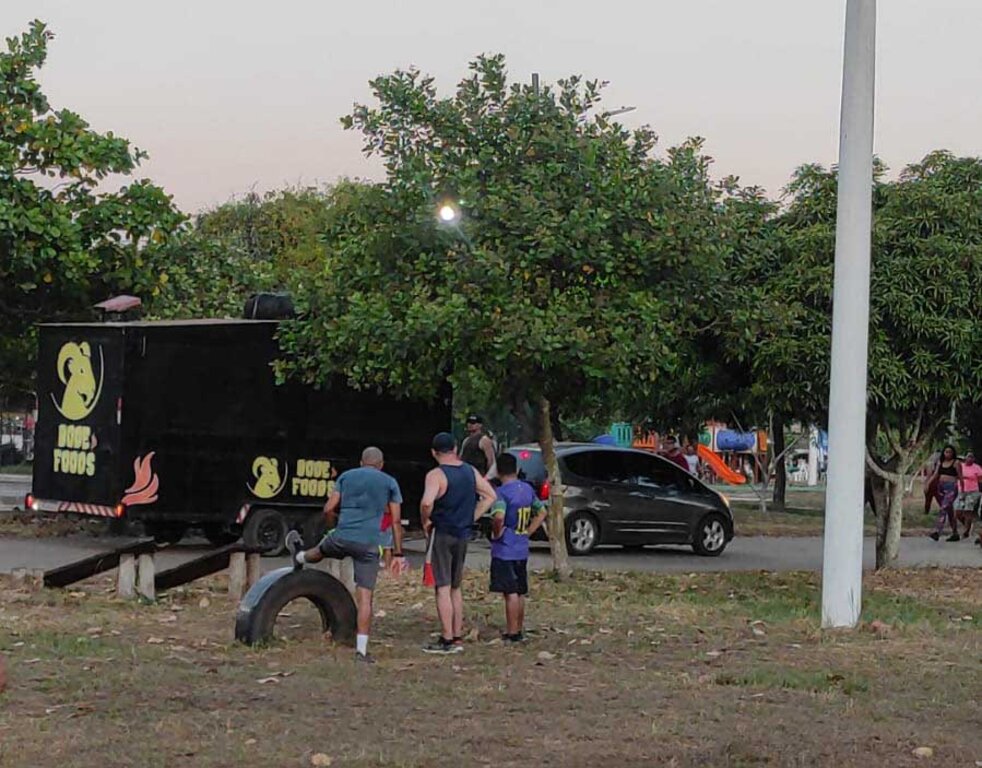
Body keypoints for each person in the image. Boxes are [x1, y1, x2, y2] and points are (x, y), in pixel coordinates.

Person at [286, 446, 404, 664]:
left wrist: (333, 528)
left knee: (320, 552)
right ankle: (361, 651)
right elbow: (395, 522)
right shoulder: (389, 482)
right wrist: (397, 552)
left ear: (361, 462)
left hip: (342, 536)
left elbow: (328, 509)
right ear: (381, 465)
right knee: (365, 598)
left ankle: (300, 557)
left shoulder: (346, 477)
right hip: (369, 545)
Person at [420, 432, 497, 654]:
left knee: (442, 587)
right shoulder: (470, 471)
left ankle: (446, 639)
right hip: (462, 533)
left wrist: (426, 520)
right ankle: (456, 634)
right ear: (455, 448)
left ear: (434, 452)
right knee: (456, 586)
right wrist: (472, 516)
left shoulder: (436, 475)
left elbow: (427, 502)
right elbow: (490, 495)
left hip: (442, 532)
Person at [489, 452, 547, 643]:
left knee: (510, 591)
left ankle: (512, 631)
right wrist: (528, 531)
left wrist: (497, 532)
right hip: (521, 547)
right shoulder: (527, 489)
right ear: (516, 469)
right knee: (520, 590)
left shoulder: (502, 493)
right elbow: (542, 512)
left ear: (498, 470)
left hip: (506, 548)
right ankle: (519, 628)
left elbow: (498, 516)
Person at [928, 445, 962, 542]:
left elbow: (960, 477)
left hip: (951, 488)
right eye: (946, 452)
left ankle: (937, 531)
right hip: (941, 488)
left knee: (943, 508)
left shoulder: (956, 463)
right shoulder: (941, 462)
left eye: (950, 452)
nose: (947, 454)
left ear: (953, 453)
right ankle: (955, 533)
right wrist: (928, 484)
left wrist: (963, 490)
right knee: (949, 511)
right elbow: (935, 475)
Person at [955, 450, 982, 540]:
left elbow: (980, 479)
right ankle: (968, 525)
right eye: (968, 456)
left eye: (971, 457)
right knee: (958, 512)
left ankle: (966, 531)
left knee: (968, 510)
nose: (970, 458)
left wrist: (971, 478)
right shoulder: (961, 467)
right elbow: (957, 476)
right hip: (961, 491)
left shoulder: (977, 468)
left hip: (973, 491)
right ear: (965, 458)